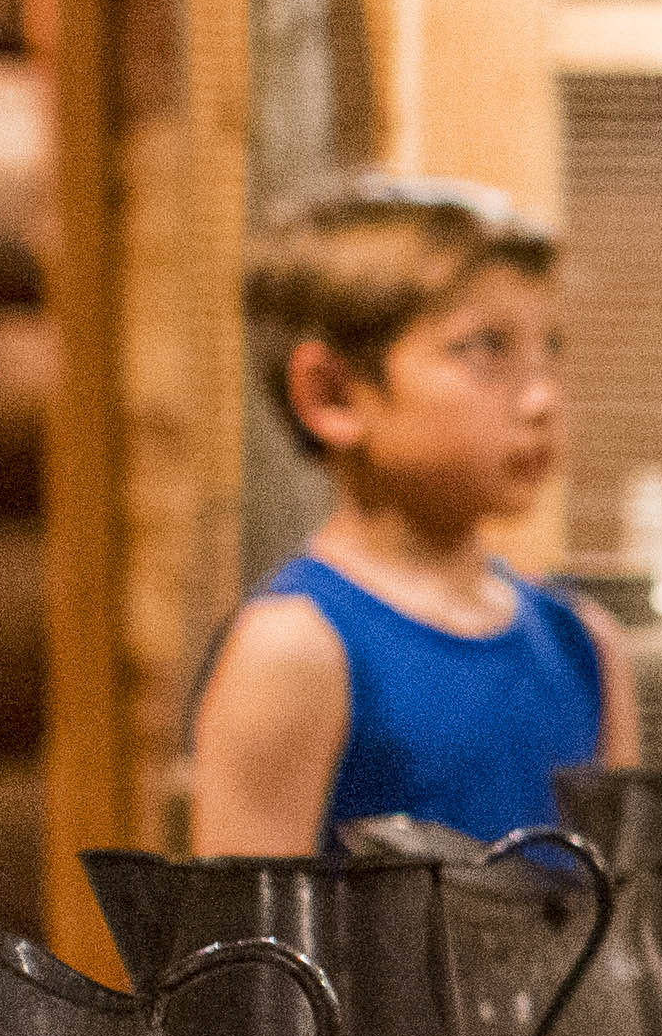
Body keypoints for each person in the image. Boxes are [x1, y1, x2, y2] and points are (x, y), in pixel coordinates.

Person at [182, 178, 625, 856]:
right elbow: (254, 954)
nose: (540, 398)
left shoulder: (586, 646)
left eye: (550, 350)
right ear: (330, 394)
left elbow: (620, 927)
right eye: (485, 348)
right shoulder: (294, 650)